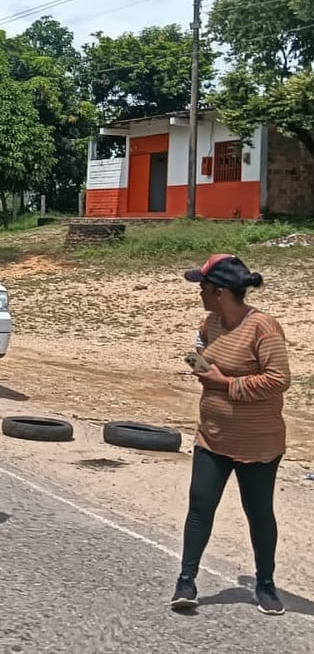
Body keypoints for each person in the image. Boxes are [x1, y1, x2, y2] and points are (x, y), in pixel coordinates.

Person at [170, 254, 290, 616]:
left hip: (257, 443)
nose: (199, 293)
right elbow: (199, 357)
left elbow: (279, 379)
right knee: (200, 506)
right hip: (213, 436)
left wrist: (228, 384)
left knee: (258, 513)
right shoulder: (210, 323)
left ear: (220, 291)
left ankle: (265, 583)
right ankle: (186, 580)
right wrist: (200, 368)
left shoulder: (263, 328)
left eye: (203, 288)